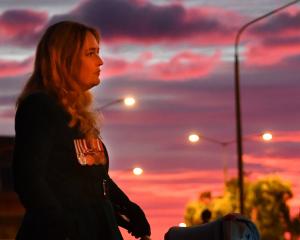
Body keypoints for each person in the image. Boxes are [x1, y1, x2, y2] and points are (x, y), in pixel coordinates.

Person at [12, 21, 151, 240]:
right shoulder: (40, 106)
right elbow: (27, 177)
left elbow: (92, 180)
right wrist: (58, 224)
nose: (100, 61)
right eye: (91, 53)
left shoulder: (79, 116)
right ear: (65, 59)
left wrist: (127, 208)